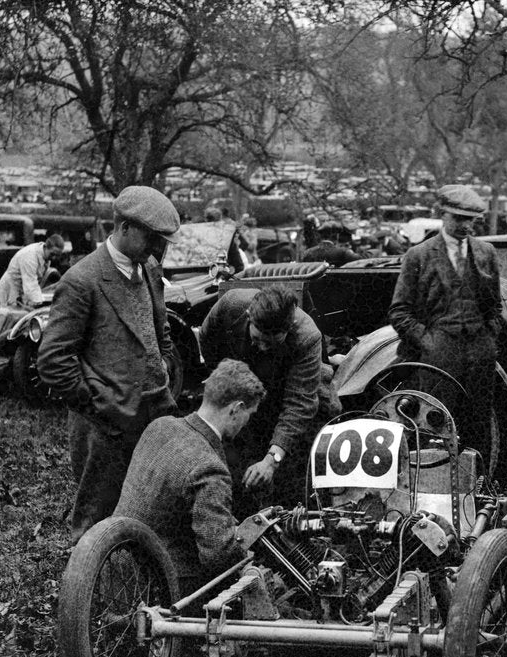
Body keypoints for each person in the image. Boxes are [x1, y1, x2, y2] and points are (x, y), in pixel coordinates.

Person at [38, 186, 181, 543]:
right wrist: (98, 405)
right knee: (96, 519)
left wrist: (162, 365)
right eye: (152, 237)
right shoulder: (81, 280)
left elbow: (160, 327)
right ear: (123, 227)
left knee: (153, 505)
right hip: (107, 422)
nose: (157, 249)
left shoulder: (148, 269)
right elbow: (53, 361)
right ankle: (88, 587)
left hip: (155, 410)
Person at [112, 358, 266, 590]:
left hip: (114, 568)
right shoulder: (209, 468)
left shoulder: (160, 426)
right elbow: (217, 557)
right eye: (250, 415)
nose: (247, 423)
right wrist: (247, 557)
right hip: (159, 587)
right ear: (237, 409)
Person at [388, 184, 504, 464]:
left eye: (471, 220)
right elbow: (399, 311)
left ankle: (479, 493)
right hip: (438, 360)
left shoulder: (486, 252)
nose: (465, 226)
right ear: (442, 215)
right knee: (435, 429)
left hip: (479, 357)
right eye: (459, 218)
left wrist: (489, 338)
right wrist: (429, 342)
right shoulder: (420, 255)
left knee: (478, 429)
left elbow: (496, 307)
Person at [198, 284, 331, 515]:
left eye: (271, 343)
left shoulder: (308, 338)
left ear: (288, 330)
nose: (262, 347)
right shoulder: (231, 305)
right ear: (249, 318)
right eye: (258, 339)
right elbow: (207, 338)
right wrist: (226, 380)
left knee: (289, 480)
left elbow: (299, 406)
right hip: (246, 390)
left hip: (287, 396)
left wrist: (272, 459)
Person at [0, 234, 67, 308]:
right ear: (46, 247)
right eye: (52, 254)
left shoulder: (46, 257)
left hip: (22, 290)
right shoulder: (30, 256)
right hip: (10, 289)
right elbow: (30, 283)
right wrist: (39, 303)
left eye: (57, 255)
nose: (54, 258)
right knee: (12, 316)